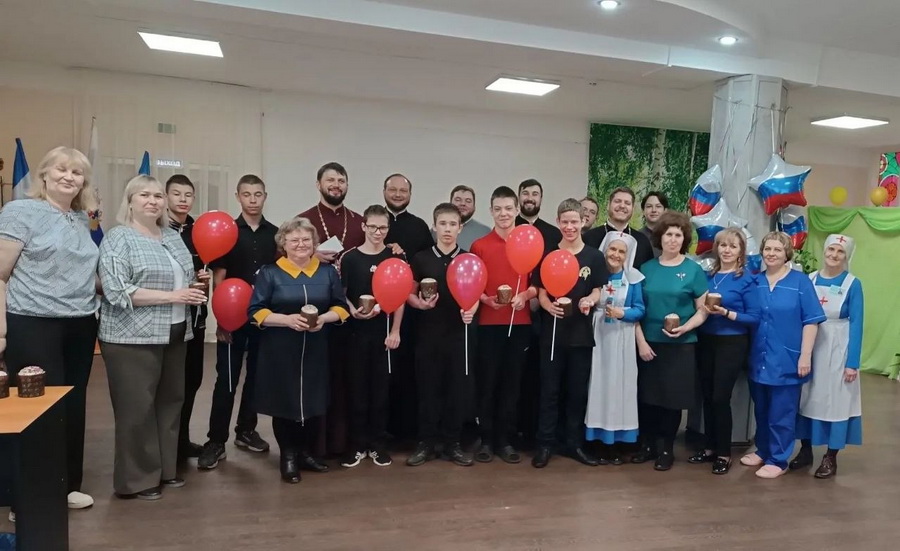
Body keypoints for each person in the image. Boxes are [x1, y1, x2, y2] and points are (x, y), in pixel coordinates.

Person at [0, 146, 99, 510]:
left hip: (80, 323)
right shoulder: (20, 211)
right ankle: (26, 499)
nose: (69, 177)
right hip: (32, 322)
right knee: (37, 409)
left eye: (77, 173)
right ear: (44, 174)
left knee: (72, 406)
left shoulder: (80, 219)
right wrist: (0, 332)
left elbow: (83, 273)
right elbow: (0, 274)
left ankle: (67, 485)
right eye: (62, 169)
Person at [98, 175, 207, 500]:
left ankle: (166, 470)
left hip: (176, 331)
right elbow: (117, 290)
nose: (153, 201)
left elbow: (181, 280)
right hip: (130, 337)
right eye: (144, 195)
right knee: (137, 409)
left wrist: (194, 282)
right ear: (130, 201)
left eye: (158, 195)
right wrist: (174, 296)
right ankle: (137, 481)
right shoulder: (118, 237)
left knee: (171, 403)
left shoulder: (172, 236)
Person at [248, 217, 350, 483]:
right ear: (283, 244)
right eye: (294, 240)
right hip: (281, 349)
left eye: (306, 239)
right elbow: (255, 311)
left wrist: (324, 319)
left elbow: (341, 307)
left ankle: (305, 453)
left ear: (314, 243)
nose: (301, 244)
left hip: (317, 348)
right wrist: (287, 320)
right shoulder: (270, 273)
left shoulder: (327, 273)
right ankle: (288, 456)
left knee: (313, 401)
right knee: (285, 403)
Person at [198, 175, 278, 470]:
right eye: (247, 194)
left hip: (263, 317)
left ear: (265, 196)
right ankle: (216, 441)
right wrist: (221, 320)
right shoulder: (228, 233)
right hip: (232, 318)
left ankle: (246, 430)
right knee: (227, 380)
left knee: (256, 377)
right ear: (238, 197)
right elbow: (219, 278)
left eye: (258, 194)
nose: (252, 200)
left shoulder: (275, 235)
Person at [740, 231, 825, 479]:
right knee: (761, 410)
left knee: (782, 413)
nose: (771, 254)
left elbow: (811, 321)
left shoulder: (800, 282)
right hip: (759, 357)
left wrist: (805, 356)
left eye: (777, 249)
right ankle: (763, 450)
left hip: (787, 359)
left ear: (787, 253)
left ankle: (778, 459)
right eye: (768, 249)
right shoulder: (754, 281)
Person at [531, 199, 606, 469]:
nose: (570, 226)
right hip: (551, 335)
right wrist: (546, 304)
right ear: (558, 222)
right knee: (549, 392)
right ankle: (545, 444)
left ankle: (574, 444)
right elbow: (540, 290)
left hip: (581, 335)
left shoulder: (594, 256)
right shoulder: (548, 255)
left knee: (577, 393)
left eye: (575, 221)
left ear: (583, 222)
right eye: (565, 222)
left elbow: (598, 289)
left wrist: (589, 300)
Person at [633, 211, 708, 471]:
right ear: (660, 237)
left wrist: (686, 327)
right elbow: (635, 308)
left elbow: (703, 309)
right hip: (649, 343)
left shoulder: (693, 270)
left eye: (678, 235)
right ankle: (648, 445)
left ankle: (666, 449)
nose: (673, 239)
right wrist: (641, 342)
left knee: (672, 400)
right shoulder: (646, 269)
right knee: (648, 398)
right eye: (668, 234)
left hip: (681, 345)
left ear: (684, 239)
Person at [299, 162, 365, 456]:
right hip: (316, 311)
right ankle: (314, 446)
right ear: (318, 184)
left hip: (351, 313)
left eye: (341, 180)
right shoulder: (304, 222)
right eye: (330, 180)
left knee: (347, 379)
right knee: (317, 378)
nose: (336, 185)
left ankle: (344, 442)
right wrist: (311, 254)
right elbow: (285, 259)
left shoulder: (360, 222)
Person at [406, 203, 478, 467]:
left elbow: (477, 293)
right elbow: (409, 292)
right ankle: (426, 443)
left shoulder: (468, 259)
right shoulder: (421, 258)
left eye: (453, 224)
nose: (447, 229)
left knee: (456, 392)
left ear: (460, 228)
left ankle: (452, 444)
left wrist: (471, 310)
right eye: (443, 224)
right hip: (427, 335)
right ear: (434, 227)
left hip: (458, 336)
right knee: (428, 391)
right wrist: (418, 304)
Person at [470, 186, 537, 464]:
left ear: (517, 210)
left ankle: (505, 439)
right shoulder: (480, 245)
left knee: (512, 383)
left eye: (509, 208)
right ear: (491, 211)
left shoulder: (529, 243)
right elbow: (473, 285)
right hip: (489, 324)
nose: (504, 214)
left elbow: (537, 284)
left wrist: (525, 296)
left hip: (519, 324)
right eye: (498, 209)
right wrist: (486, 299)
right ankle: (486, 439)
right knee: (488, 383)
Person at [791, 234, 863, 478]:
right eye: (831, 249)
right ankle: (805, 450)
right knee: (807, 396)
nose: (834, 255)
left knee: (836, 401)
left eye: (840, 251)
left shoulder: (853, 284)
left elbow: (857, 324)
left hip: (838, 347)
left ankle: (831, 456)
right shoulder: (809, 279)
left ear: (847, 256)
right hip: (811, 345)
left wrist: (852, 363)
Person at [339, 205, 404, 468]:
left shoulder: (395, 257)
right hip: (355, 335)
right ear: (363, 226)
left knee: (380, 393)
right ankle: (357, 445)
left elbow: (400, 298)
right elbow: (341, 293)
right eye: (373, 227)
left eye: (383, 228)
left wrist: (395, 330)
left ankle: (377, 445)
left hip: (383, 336)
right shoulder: (350, 258)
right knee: (357, 391)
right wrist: (351, 310)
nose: (378, 232)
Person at [690, 228, 759, 475]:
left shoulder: (747, 279)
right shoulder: (708, 276)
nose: (727, 250)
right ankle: (709, 447)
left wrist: (727, 313)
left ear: (741, 251)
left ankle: (723, 453)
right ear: (716, 248)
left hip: (732, 342)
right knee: (707, 396)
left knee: (720, 397)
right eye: (723, 245)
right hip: (706, 340)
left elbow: (754, 317)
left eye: (733, 246)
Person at [584, 232, 645, 465]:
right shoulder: (595, 274)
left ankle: (618, 442)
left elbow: (640, 309)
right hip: (598, 335)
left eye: (621, 251)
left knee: (620, 387)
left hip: (622, 337)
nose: (616, 255)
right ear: (605, 250)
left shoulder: (634, 278)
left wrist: (623, 313)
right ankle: (596, 442)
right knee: (597, 385)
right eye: (612, 249)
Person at [165, 174, 208, 461]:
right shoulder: (158, 230)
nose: (183, 199)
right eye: (176, 194)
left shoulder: (199, 231)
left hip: (196, 317)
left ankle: (182, 441)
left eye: (188, 195)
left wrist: (203, 281)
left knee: (192, 380)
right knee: (169, 385)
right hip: (167, 319)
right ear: (166, 197)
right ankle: (165, 445)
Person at [584, 187, 654, 268]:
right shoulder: (589, 237)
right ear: (608, 205)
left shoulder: (642, 241)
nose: (622, 206)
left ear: (633, 209)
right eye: (617, 201)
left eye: (627, 203)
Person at [383, 173, 433, 259]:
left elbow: (428, 259)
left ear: (410, 194)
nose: (398, 195)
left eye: (403, 191)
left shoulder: (420, 226)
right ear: (384, 192)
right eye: (392, 190)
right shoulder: (372, 222)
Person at [515, 179, 562, 253]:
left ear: (541, 199)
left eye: (535, 194)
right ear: (518, 197)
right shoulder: (508, 230)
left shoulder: (554, 234)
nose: (530, 198)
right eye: (525, 193)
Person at [449, 185, 491, 250]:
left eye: (468, 201)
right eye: (458, 200)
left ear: (474, 206)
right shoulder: (438, 230)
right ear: (450, 203)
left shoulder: (485, 232)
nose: (463, 203)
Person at [639, 192, 668, 258]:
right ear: (643, 211)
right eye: (649, 206)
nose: (654, 210)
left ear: (665, 211)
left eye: (658, 206)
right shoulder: (637, 237)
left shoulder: (673, 237)